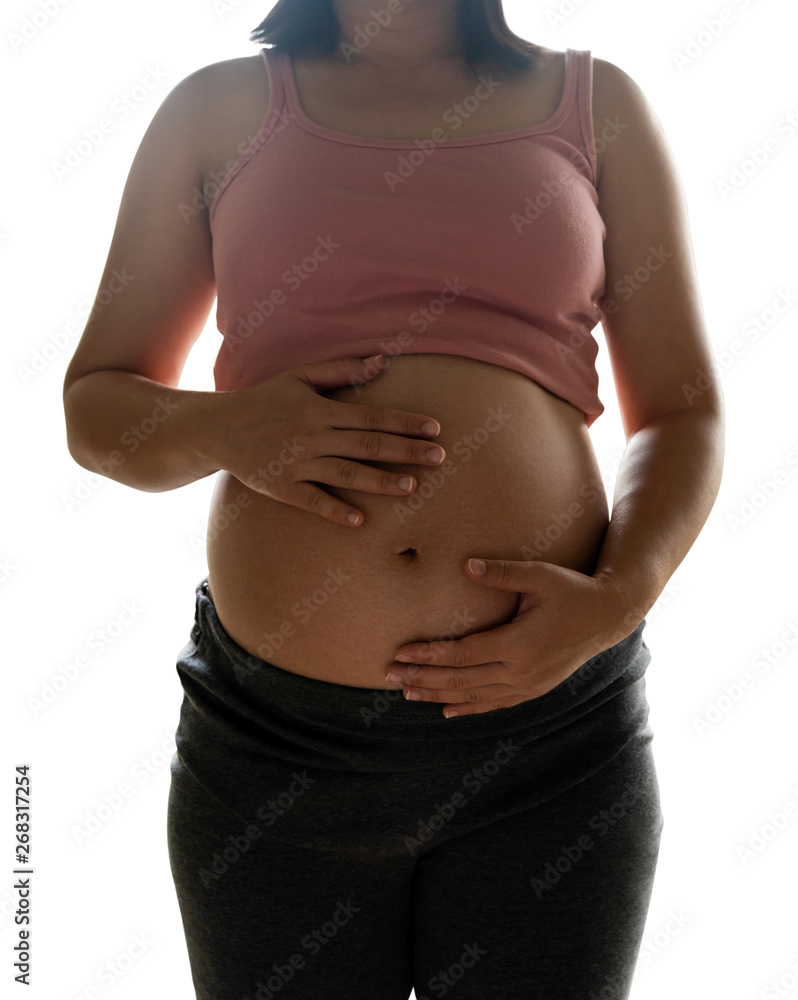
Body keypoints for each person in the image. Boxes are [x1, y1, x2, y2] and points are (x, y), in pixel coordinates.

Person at [61, 0, 725, 997]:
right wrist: (226, 429)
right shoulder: (216, 109)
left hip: (552, 744)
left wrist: (622, 593)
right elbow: (96, 408)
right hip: (276, 755)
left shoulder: (597, 105)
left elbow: (683, 413)